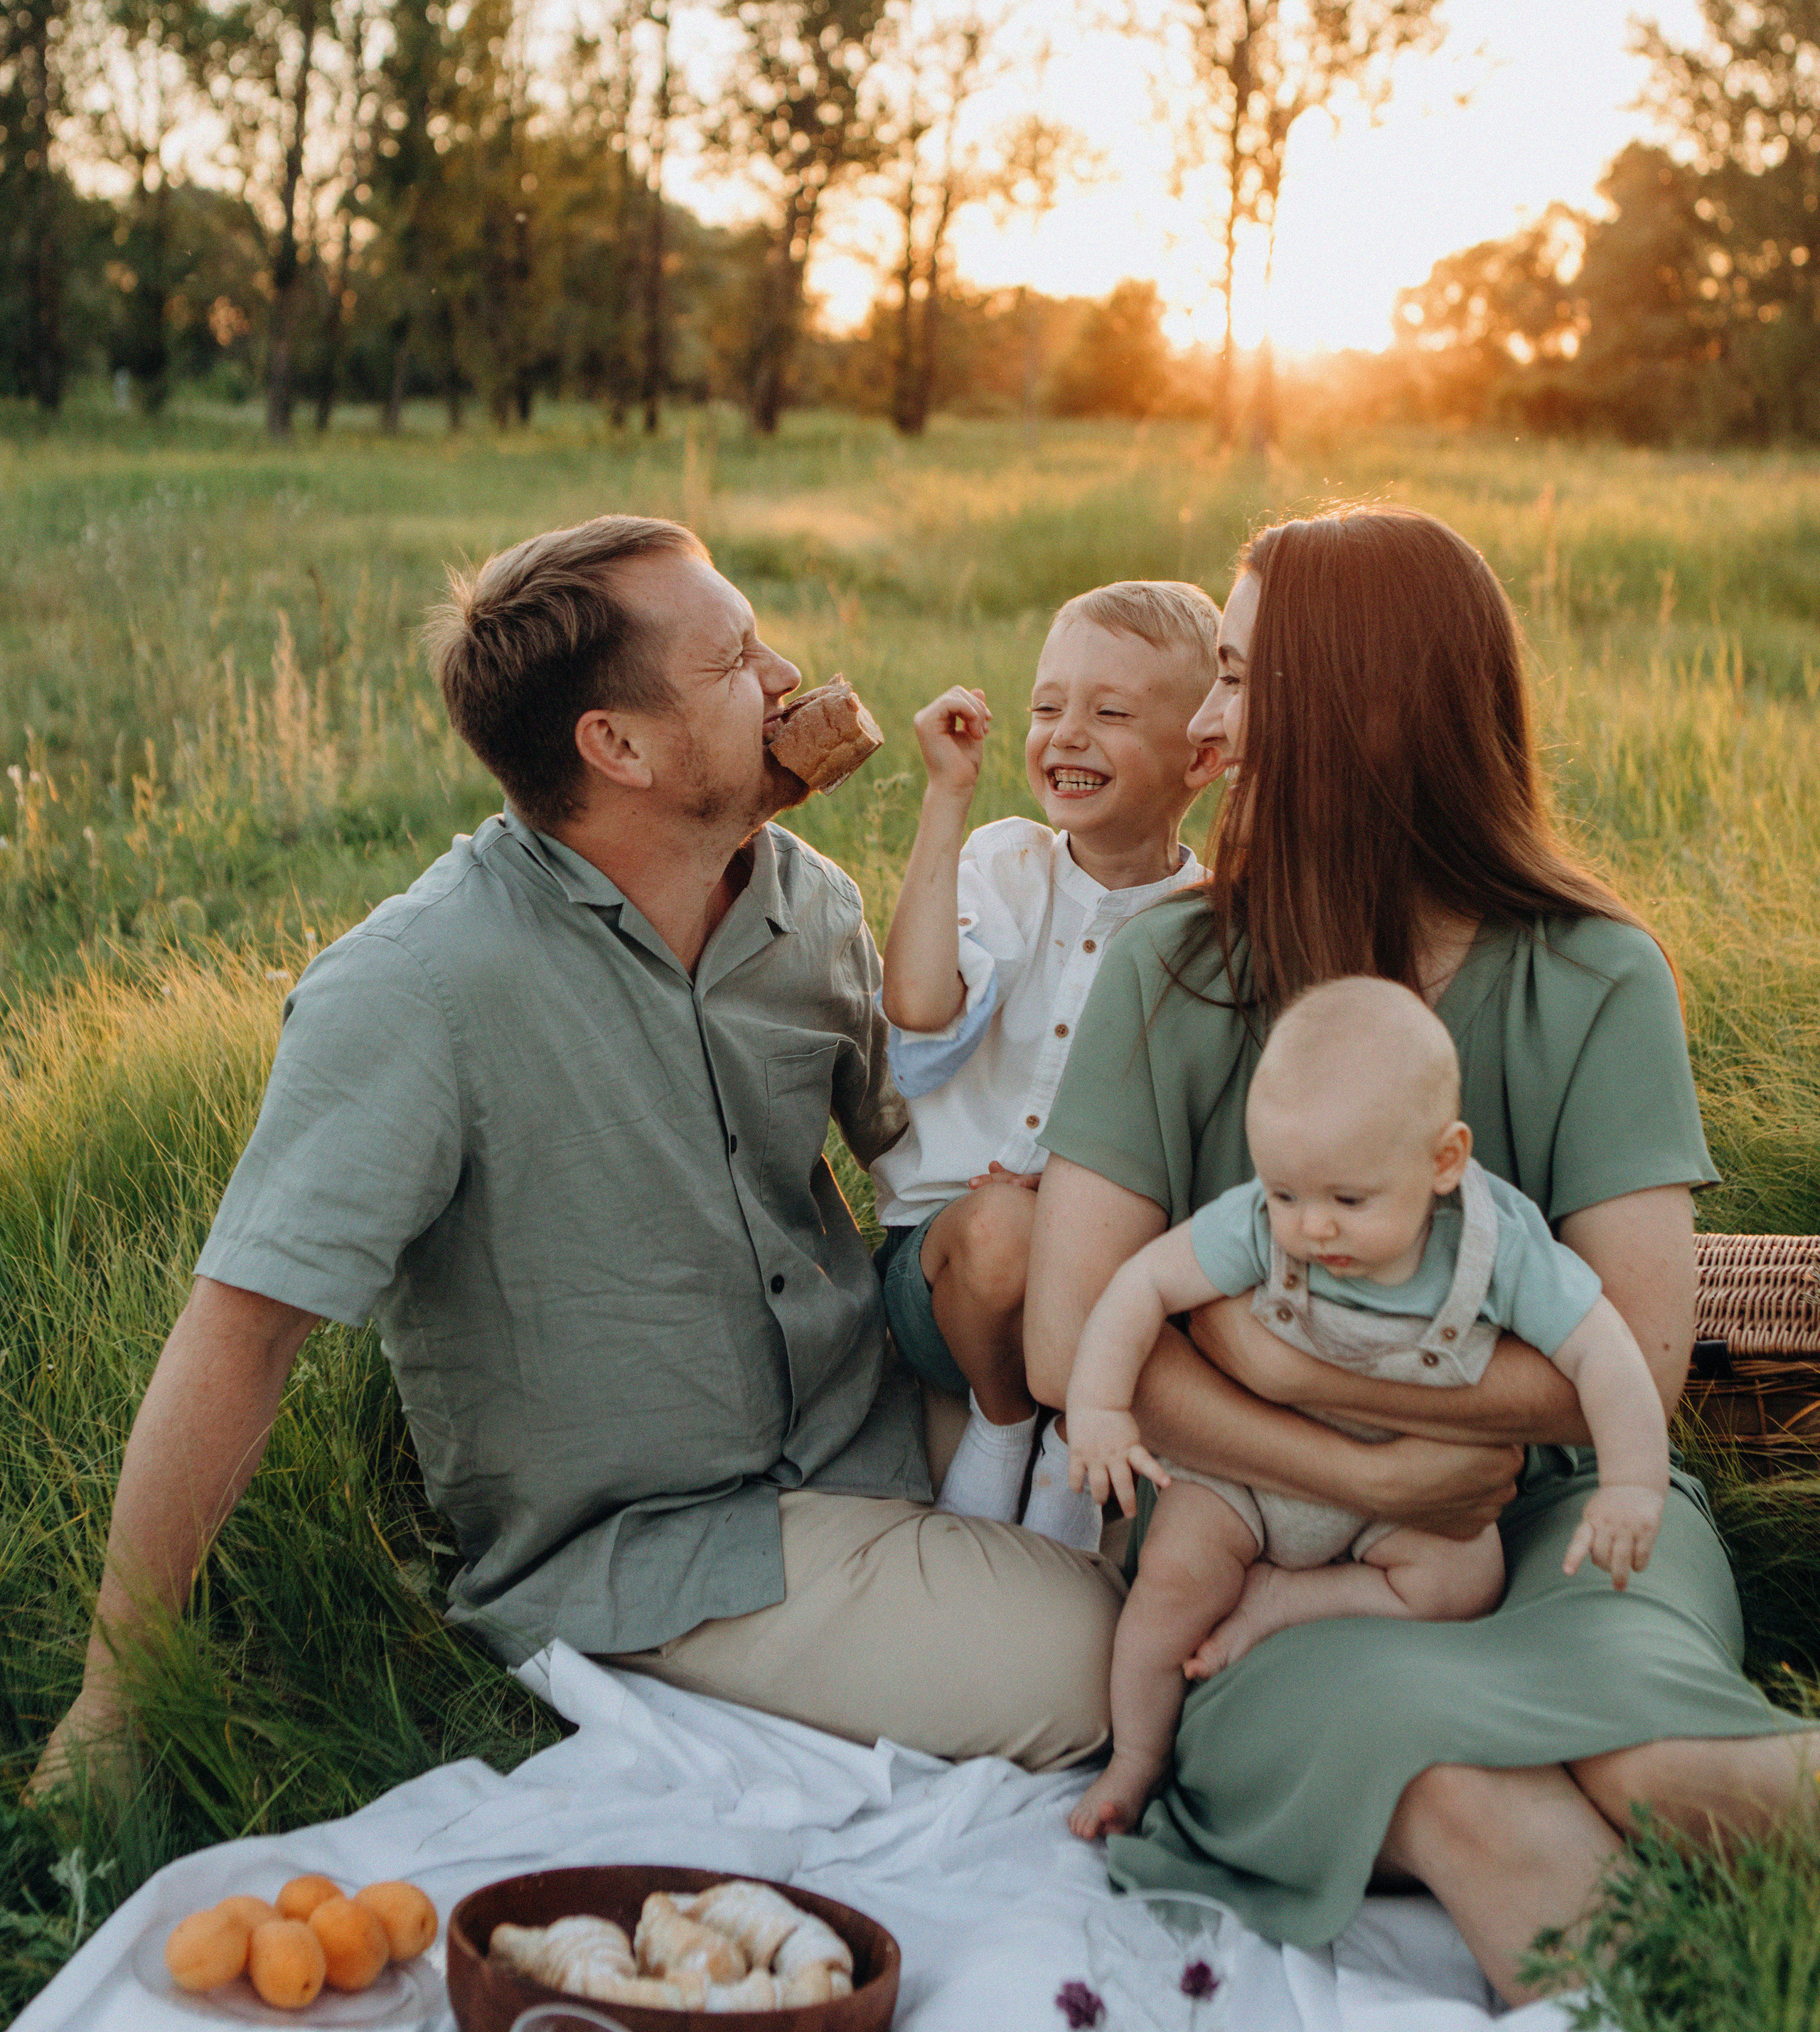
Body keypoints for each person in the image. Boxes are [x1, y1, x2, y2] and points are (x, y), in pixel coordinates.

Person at [33, 515, 1124, 1800]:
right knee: (1103, 1660)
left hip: (869, 1418)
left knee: (1200, 1543)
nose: (785, 678)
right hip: (659, 1546)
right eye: (736, 661)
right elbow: (244, 1330)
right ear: (619, 747)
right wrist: (115, 1702)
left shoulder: (808, 901)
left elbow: (931, 1165)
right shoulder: (418, 987)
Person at [1025, 504, 1816, 2004]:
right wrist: (1351, 1464)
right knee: (1460, 1789)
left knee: (1669, 1764)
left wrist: (1282, 1360)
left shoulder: (1593, 973)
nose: (1205, 721)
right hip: (1258, 1548)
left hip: (1569, 1512)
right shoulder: (1169, 971)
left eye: (1239, 676)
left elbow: (1633, 1364)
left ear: (1364, 708)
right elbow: (1068, 1345)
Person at [1064, 974, 1671, 1841]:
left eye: (1348, 1201)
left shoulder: (1495, 1247)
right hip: (1252, 1472)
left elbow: (1604, 1353)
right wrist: (1098, 1408)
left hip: (1409, 1495)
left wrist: (1632, 1487)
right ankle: (1134, 1758)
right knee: (1170, 1580)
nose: (1311, 1228)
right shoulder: (1257, 1222)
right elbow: (1143, 1283)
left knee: (1463, 1583)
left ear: (1443, 1162)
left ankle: (1283, 1602)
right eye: (1285, 1194)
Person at [874, 581, 1221, 1531]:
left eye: (1110, 714)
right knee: (1003, 1231)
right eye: (1045, 708)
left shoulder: (1214, 934)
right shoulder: (1004, 866)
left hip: (1116, 1279)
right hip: (954, 1276)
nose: (1066, 735)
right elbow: (917, 1004)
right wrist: (948, 795)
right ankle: (1006, 1423)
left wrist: (1080, 1200)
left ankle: (1079, 1433)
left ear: (1201, 757)